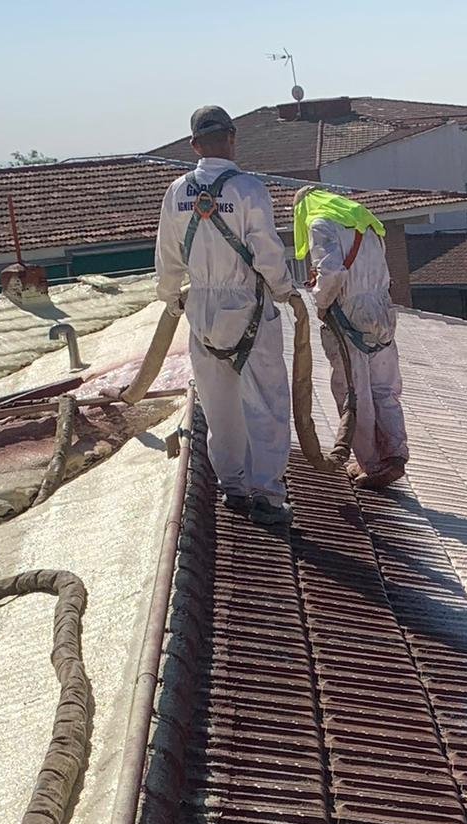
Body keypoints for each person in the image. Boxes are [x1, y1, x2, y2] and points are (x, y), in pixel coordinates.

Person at [155, 106, 296, 525]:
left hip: (201, 306)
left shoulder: (177, 191)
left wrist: (170, 296)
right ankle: (267, 494)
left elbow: (167, 254)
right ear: (232, 138)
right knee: (265, 400)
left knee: (219, 402)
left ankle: (232, 486)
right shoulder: (248, 189)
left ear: (194, 144)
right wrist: (284, 290)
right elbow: (267, 251)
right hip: (248, 303)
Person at [294, 187, 409, 490]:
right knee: (384, 388)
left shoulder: (320, 223)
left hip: (349, 314)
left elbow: (331, 272)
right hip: (382, 309)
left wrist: (320, 303)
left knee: (354, 393)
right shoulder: (364, 221)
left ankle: (370, 464)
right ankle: (395, 453)